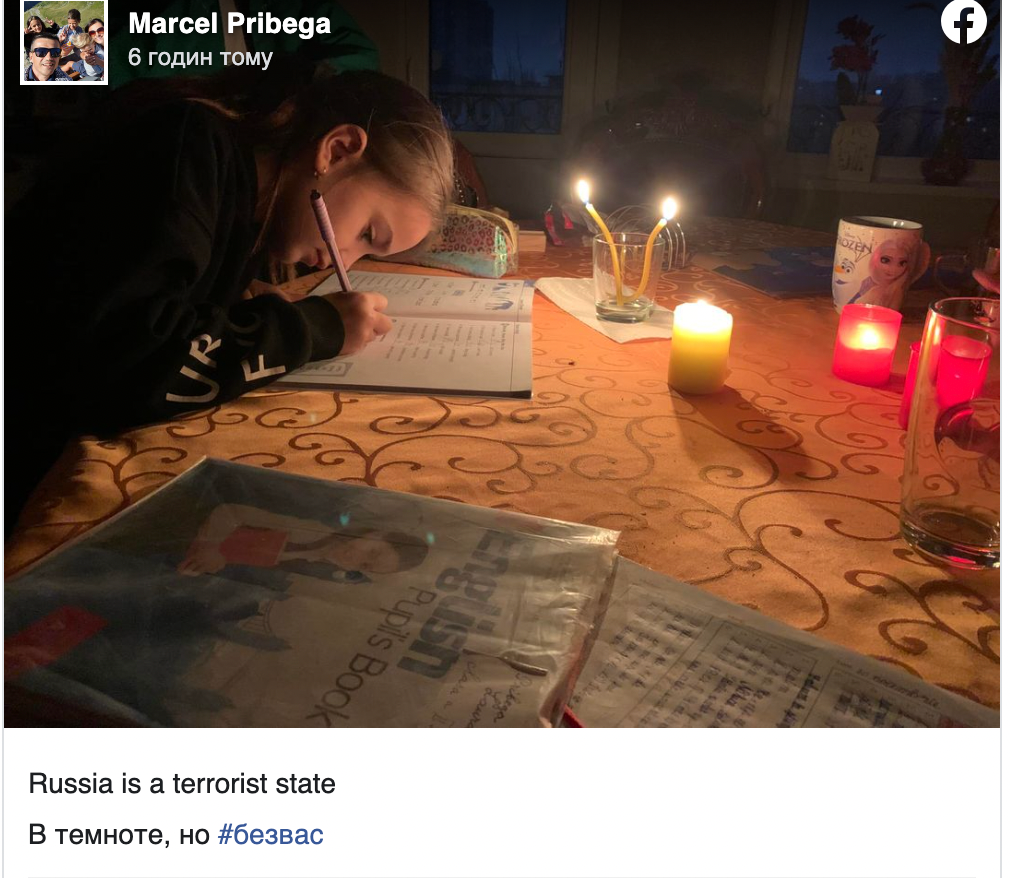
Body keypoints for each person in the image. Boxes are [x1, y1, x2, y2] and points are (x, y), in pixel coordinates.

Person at [7, 60, 454, 525]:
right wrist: (312, 328)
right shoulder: (185, 147)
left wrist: (247, 309)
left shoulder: (253, 206)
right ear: (337, 150)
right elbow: (132, 361)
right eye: (367, 233)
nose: (345, 260)